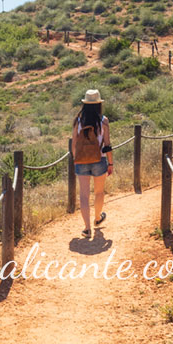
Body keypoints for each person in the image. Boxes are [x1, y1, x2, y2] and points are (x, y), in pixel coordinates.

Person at [71, 89, 112, 237]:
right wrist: (111, 163)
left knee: (83, 195)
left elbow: (74, 143)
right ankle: (97, 218)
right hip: (99, 160)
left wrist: (76, 159)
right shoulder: (104, 121)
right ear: (98, 104)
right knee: (99, 192)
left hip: (81, 161)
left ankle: (87, 228)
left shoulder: (78, 121)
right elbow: (107, 144)